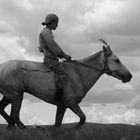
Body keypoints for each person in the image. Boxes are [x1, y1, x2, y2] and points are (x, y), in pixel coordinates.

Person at [39, 13, 71, 97]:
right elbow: (52, 45)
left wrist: (63, 55)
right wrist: (64, 56)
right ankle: (59, 96)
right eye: (57, 22)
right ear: (52, 22)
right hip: (50, 59)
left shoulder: (47, 32)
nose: (57, 25)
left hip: (52, 57)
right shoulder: (46, 32)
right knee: (61, 73)